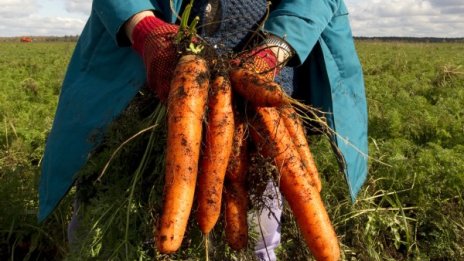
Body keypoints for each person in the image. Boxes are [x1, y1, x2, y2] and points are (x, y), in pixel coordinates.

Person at [38, 0, 368, 260]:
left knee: (258, 223)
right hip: (140, 75)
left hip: (257, 87)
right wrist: (145, 29)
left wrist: (275, 50)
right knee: (102, 219)